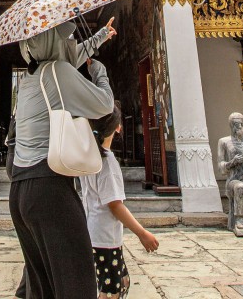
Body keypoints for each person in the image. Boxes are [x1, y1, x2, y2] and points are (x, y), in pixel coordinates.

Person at [10, 19, 116, 299]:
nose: (70, 43)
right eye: (64, 38)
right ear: (52, 43)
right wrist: (100, 72)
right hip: (50, 191)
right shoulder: (58, 72)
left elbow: (71, 56)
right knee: (76, 285)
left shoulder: (31, 79)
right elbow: (105, 105)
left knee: (42, 287)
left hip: (20, 190)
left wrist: (101, 36)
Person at [80, 102, 158, 299]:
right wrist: (142, 233)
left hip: (94, 231)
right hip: (105, 237)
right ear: (117, 128)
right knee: (111, 291)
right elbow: (115, 205)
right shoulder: (107, 163)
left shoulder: (88, 157)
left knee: (119, 282)